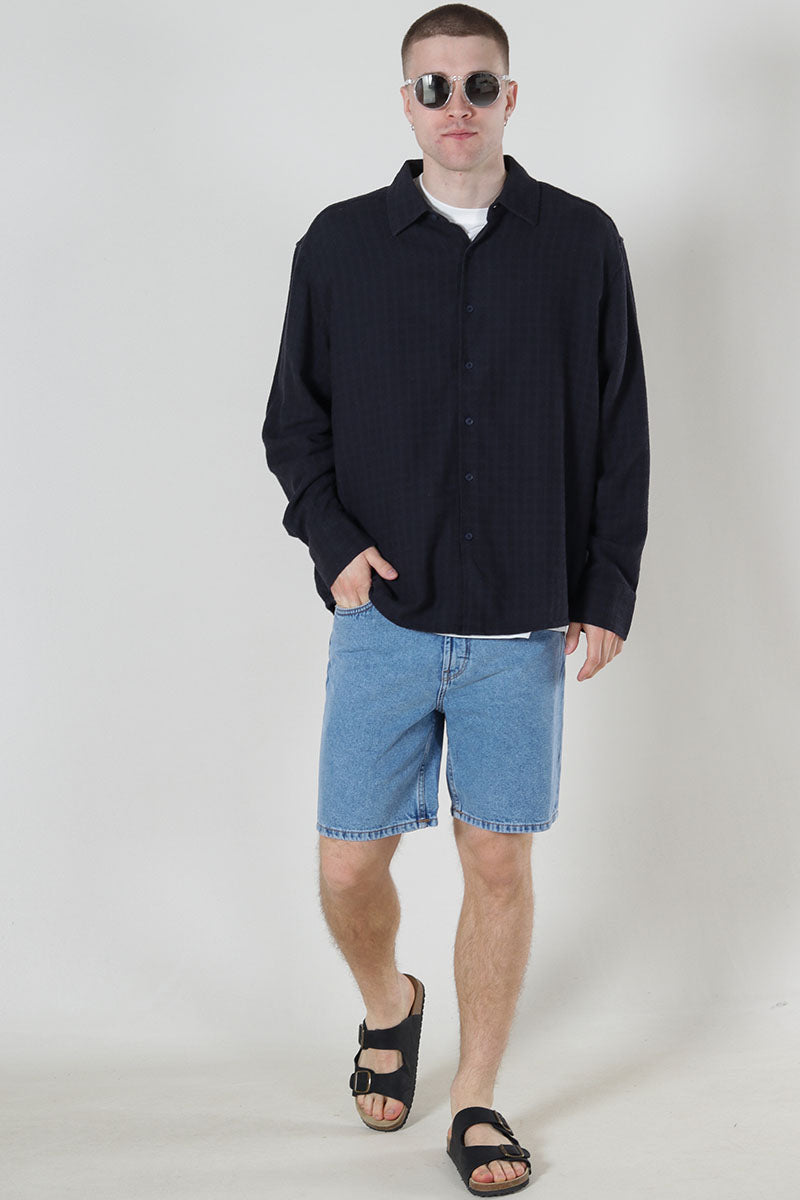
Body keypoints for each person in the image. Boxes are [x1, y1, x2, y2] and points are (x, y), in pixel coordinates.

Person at [261, 4, 649, 1192]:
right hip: (380, 619)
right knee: (344, 868)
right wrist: (333, 543)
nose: (457, 107)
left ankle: (475, 1098)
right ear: (406, 101)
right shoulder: (339, 245)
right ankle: (390, 1002)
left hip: (522, 620)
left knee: (496, 863)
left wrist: (606, 586)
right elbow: (293, 423)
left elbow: (621, 428)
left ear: (509, 96)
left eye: (479, 84)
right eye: (433, 87)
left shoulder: (579, 242)